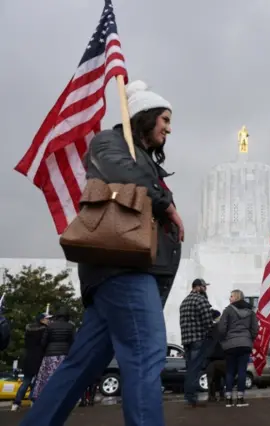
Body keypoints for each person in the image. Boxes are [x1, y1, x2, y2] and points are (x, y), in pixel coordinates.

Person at [19, 81, 183, 426]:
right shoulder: (110, 142)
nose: (169, 128)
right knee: (145, 354)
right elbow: (122, 173)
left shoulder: (141, 158)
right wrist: (167, 204)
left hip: (121, 275)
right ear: (144, 117)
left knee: (81, 366)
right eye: (164, 119)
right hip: (123, 269)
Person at [179, 278, 216, 407]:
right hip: (198, 339)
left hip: (186, 340)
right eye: (204, 287)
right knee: (195, 369)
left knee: (190, 368)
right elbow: (208, 322)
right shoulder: (201, 300)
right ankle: (191, 397)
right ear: (198, 287)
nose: (206, 290)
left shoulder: (184, 301)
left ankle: (189, 395)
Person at [218, 290, 258, 407]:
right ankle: (240, 398)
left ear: (236, 297)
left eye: (231, 296)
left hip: (230, 344)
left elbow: (221, 328)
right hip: (245, 344)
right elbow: (255, 328)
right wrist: (250, 339)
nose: (229, 298)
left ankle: (228, 398)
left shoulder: (228, 310)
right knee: (242, 371)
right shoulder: (250, 311)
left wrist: (224, 340)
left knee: (230, 371)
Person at [31, 307, 75, 401]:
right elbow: (73, 341)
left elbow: (43, 342)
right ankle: (60, 396)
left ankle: (43, 397)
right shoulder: (70, 326)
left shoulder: (50, 326)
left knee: (46, 377)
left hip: (50, 355)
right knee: (61, 377)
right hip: (64, 354)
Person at [11, 313, 50, 411]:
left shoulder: (28, 330)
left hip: (28, 357)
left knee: (26, 382)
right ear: (41, 320)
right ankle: (33, 401)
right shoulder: (45, 330)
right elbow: (44, 343)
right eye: (47, 319)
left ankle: (16, 402)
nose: (48, 320)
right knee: (37, 381)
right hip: (39, 357)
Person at [204, 309, 225, 402]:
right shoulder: (222, 327)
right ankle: (222, 395)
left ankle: (211, 396)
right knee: (221, 377)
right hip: (222, 355)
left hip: (210, 356)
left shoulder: (206, 328)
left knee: (211, 378)